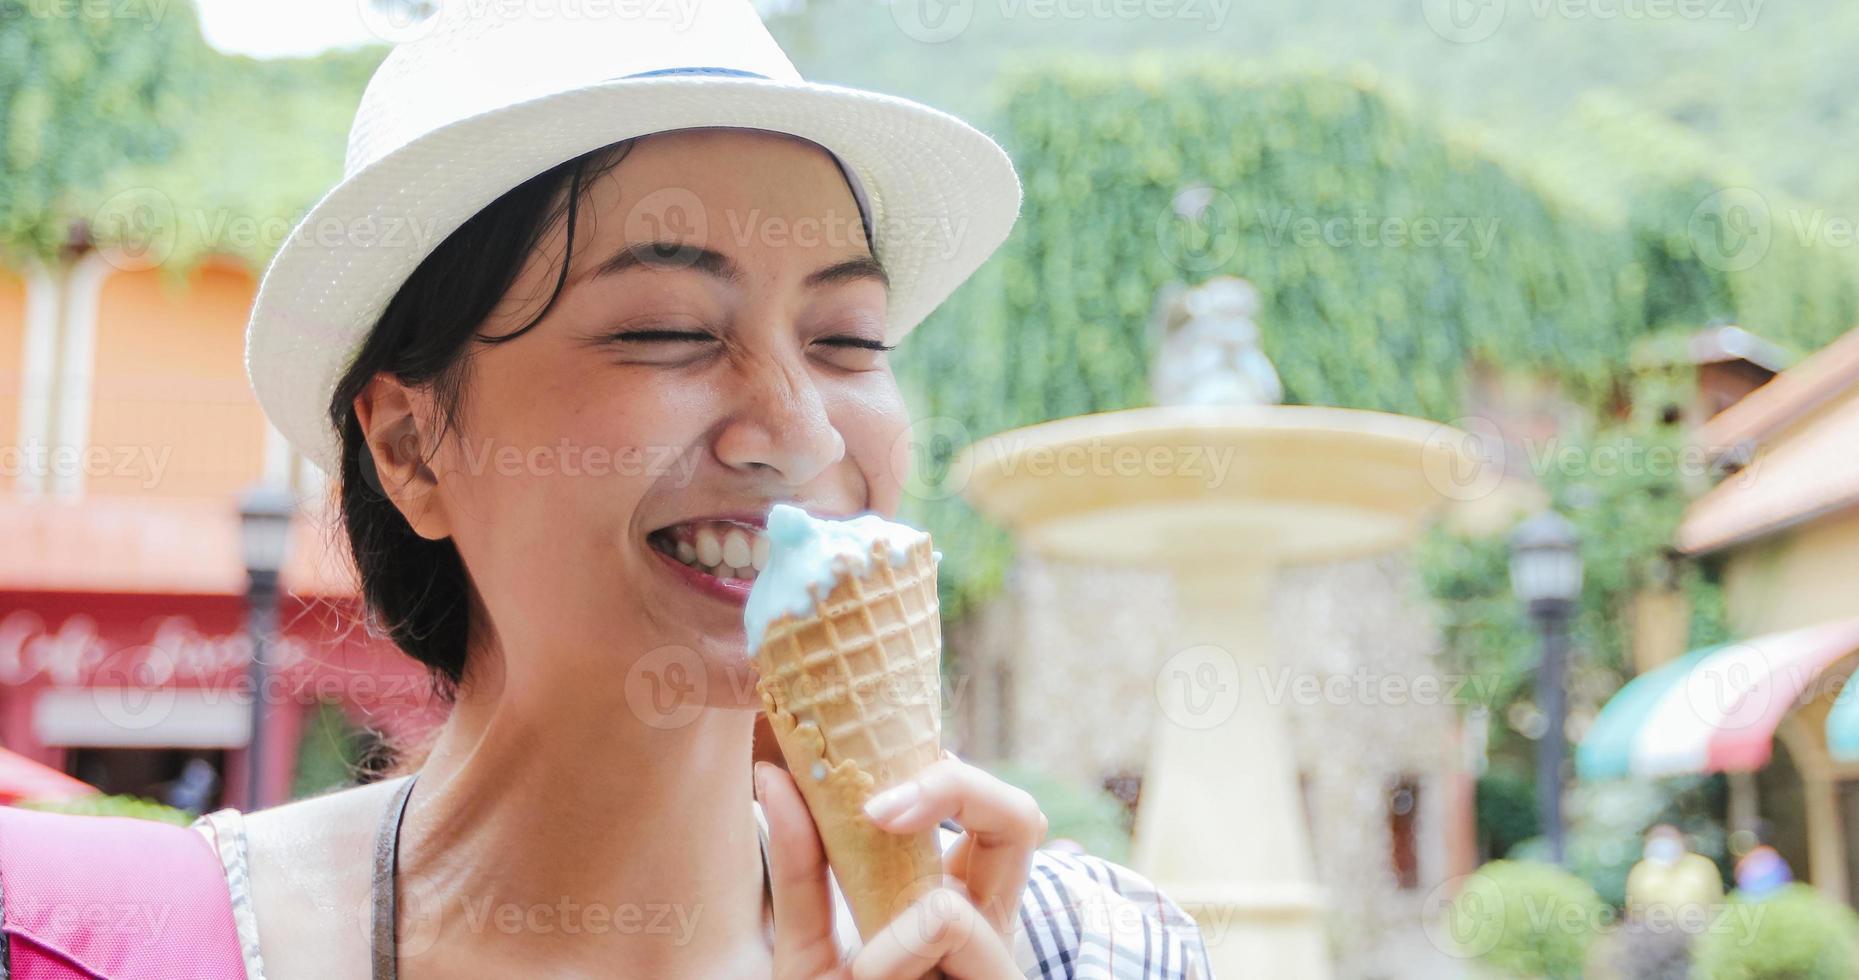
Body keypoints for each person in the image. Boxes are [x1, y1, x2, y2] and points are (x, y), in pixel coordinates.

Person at [0, 1, 1214, 977]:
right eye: (668, 329)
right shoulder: (80, 941)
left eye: (846, 339)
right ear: (413, 447)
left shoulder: (1085, 949)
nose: (793, 429)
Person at [1625, 824, 1724, 921]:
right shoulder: (1640, 872)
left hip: (1701, 932)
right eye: (1658, 837)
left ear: (1682, 840)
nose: (1663, 843)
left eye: (1668, 837)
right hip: (1656, 933)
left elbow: (1717, 903)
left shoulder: (1702, 867)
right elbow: (1634, 911)